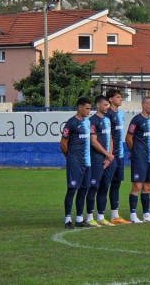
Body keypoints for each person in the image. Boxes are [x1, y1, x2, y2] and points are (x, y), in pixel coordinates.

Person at [125, 97, 150, 223]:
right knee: (137, 185)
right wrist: (134, 152)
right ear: (144, 105)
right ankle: (133, 215)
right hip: (139, 158)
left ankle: (146, 214)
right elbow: (128, 138)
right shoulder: (137, 120)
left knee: (147, 186)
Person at [60, 97, 92, 229]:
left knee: (84, 190)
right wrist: (70, 156)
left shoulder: (87, 122)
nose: (89, 111)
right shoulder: (71, 123)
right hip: (75, 162)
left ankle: (79, 219)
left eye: (90, 108)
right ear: (79, 107)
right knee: (72, 190)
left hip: (87, 162)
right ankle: (67, 219)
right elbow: (63, 143)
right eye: (87, 108)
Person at [86, 95, 115, 227]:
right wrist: (106, 154)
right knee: (94, 187)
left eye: (108, 105)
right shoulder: (92, 121)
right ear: (98, 105)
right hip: (96, 159)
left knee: (104, 188)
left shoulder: (108, 120)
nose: (107, 107)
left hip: (107, 160)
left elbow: (110, 138)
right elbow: (93, 142)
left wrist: (110, 156)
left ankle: (101, 217)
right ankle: (89, 217)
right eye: (105, 105)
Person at [105, 89, 131, 225]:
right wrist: (109, 154)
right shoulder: (107, 114)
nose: (121, 99)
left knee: (116, 184)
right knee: (104, 185)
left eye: (121, 97)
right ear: (110, 99)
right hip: (111, 155)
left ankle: (115, 215)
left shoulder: (120, 113)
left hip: (120, 154)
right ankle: (99, 215)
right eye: (118, 97)